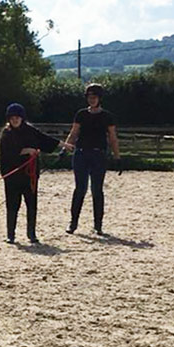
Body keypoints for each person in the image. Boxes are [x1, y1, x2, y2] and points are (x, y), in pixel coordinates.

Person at [0, 103, 74, 244]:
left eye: (17, 117)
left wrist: (64, 145)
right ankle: (11, 234)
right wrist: (26, 150)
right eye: (12, 117)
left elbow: (45, 139)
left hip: (30, 175)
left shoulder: (30, 131)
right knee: (12, 204)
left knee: (31, 204)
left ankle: (31, 234)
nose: (15, 120)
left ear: (22, 118)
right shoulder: (6, 134)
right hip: (12, 175)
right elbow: (6, 154)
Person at [63, 83, 121, 236]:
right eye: (89, 97)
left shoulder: (107, 116)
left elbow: (113, 138)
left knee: (97, 190)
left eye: (94, 97)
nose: (92, 100)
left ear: (99, 98)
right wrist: (66, 147)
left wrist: (117, 156)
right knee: (80, 189)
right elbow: (74, 133)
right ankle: (73, 222)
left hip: (98, 155)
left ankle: (98, 224)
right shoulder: (81, 114)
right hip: (81, 154)